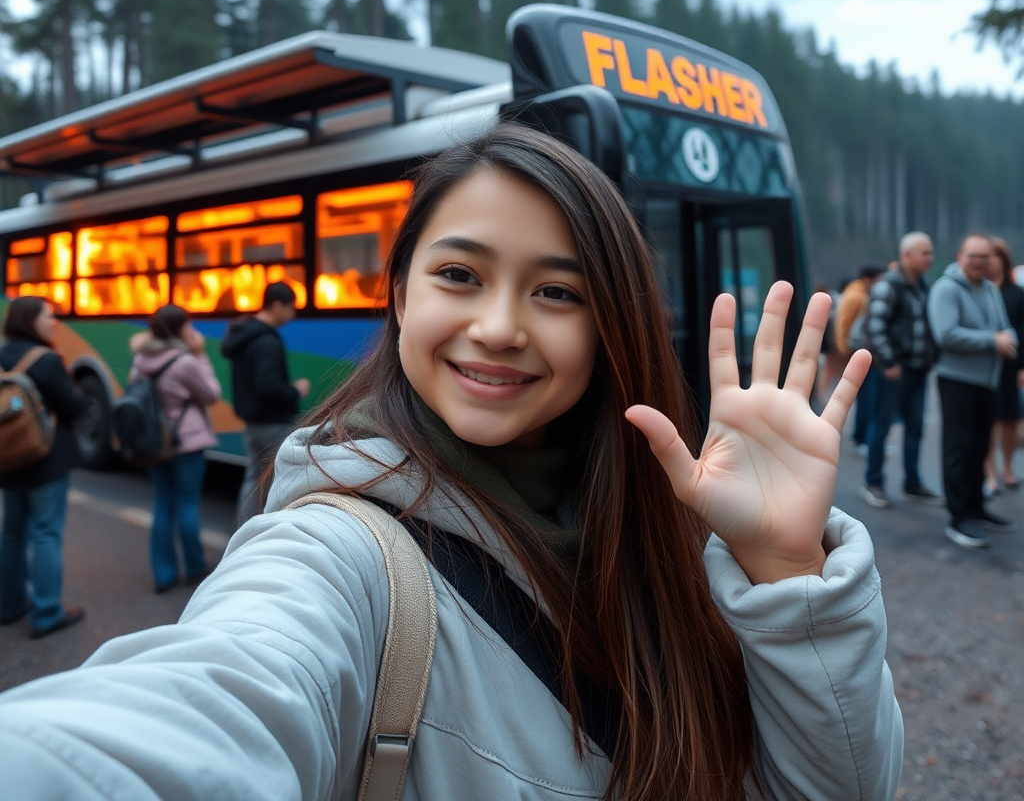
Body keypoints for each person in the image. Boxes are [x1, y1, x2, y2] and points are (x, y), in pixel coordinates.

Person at [0, 126, 901, 800]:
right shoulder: (338, 554)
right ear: (397, 297)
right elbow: (210, 703)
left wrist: (787, 570)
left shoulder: (685, 533)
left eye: (556, 292)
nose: (500, 326)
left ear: (608, 326)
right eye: (459, 276)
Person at [0, 297, 89, 638]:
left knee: (11, 533)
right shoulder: (46, 359)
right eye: (48, 317)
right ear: (30, 321)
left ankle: (9, 605)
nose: (53, 322)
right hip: (45, 458)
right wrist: (79, 395)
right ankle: (46, 612)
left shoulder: (2, 355)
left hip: (7, 458)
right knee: (46, 532)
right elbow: (72, 407)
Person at [928, 233, 1019, 549]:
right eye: (973, 255)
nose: (979, 261)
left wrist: (1008, 339)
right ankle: (958, 517)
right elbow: (946, 334)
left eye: (985, 256)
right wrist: (992, 341)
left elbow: (1005, 327)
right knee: (959, 447)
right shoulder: (946, 288)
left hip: (986, 381)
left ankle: (976, 507)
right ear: (960, 255)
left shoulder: (989, 290)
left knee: (980, 447)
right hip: (957, 379)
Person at [129, 305, 223, 592]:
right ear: (178, 329)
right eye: (189, 326)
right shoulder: (185, 361)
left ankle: (163, 574)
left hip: (155, 441)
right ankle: (194, 567)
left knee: (162, 504)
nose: (193, 331)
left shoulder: (141, 361)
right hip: (187, 441)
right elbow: (212, 394)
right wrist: (201, 354)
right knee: (186, 503)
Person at [860, 233, 941, 508]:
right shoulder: (888, 286)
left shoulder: (922, 285)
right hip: (894, 369)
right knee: (881, 425)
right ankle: (873, 482)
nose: (930, 258)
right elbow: (875, 327)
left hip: (917, 369)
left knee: (915, 427)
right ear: (907, 255)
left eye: (930, 253)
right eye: (925, 253)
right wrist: (888, 362)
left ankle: (913, 484)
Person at [221, 282, 310, 524]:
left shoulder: (245, 335)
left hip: (252, 423)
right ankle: (267, 536)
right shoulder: (266, 341)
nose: (292, 315)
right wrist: (295, 390)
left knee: (254, 480)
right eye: (291, 308)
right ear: (277, 305)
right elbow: (268, 386)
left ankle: (243, 531)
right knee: (279, 483)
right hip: (273, 423)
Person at [983, 238, 1024, 494]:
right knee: (987, 420)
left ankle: (1007, 466)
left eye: (995, 256)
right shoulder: (979, 291)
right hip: (984, 363)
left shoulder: (1016, 293)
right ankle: (989, 473)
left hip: (1011, 364)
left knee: (1009, 418)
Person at [834, 263, 885, 448]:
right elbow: (845, 324)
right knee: (865, 396)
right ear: (868, 279)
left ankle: (861, 436)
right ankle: (861, 437)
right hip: (856, 350)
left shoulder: (855, 293)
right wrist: (845, 349)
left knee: (863, 394)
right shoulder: (859, 296)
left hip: (853, 349)